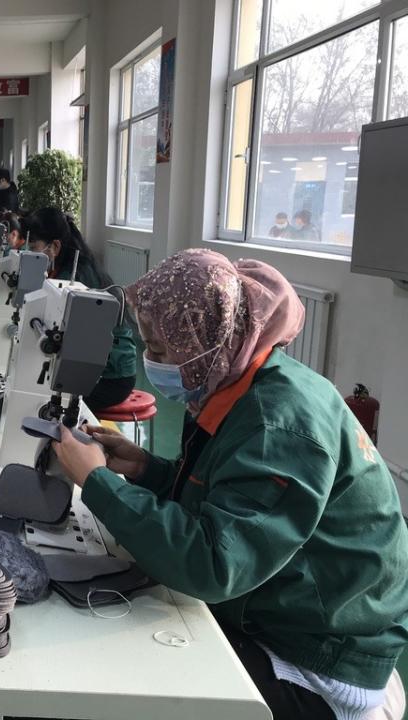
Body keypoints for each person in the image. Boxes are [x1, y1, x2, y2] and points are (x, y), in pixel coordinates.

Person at [52, 249, 408, 720]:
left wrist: (97, 482)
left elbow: (216, 566)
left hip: (323, 665)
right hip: (288, 612)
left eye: (159, 349)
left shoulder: (276, 426)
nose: (149, 361)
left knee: (123, 675)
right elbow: (227, 503)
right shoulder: (240, 381)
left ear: (210, 338)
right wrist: (146, 471)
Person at [25, 207, 136, 410]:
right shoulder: (67, 269)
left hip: (111, 378)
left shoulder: (74, 278)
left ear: (55, 246)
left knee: (35, 395)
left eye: (33, 247)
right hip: (98, 367)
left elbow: (55, 333)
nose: (29, 253)